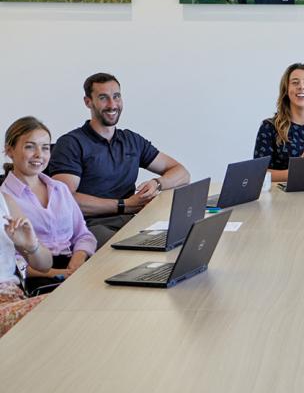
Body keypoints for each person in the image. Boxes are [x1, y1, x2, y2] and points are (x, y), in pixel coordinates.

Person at [48, 73, 190, 247]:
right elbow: (65, 199)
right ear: (88, 102)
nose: (112, 105)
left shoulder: (131, 140)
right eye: (103, 98)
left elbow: (181, 172)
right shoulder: (72, 143)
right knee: (134, 251)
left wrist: (157, 183)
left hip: (131, 219)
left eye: (116, 96)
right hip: (89, 226)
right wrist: (124, 205)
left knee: (181, 238)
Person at [2, 117, 96, 292]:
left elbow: (83, 234)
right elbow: (13, 261)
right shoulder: (5, 199)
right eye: (30, 146)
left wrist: (77, 261)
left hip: (75, 263)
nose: (39, 154)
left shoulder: (60, 189)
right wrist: (55, 273)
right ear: (10, 150)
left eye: (45, 148)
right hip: (38, 277)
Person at [0, 193, 52, 337]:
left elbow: (45, 265)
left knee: (68, 302)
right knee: (60, 306)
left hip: (13, 300)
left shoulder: (4, 200)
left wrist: (31, 245)